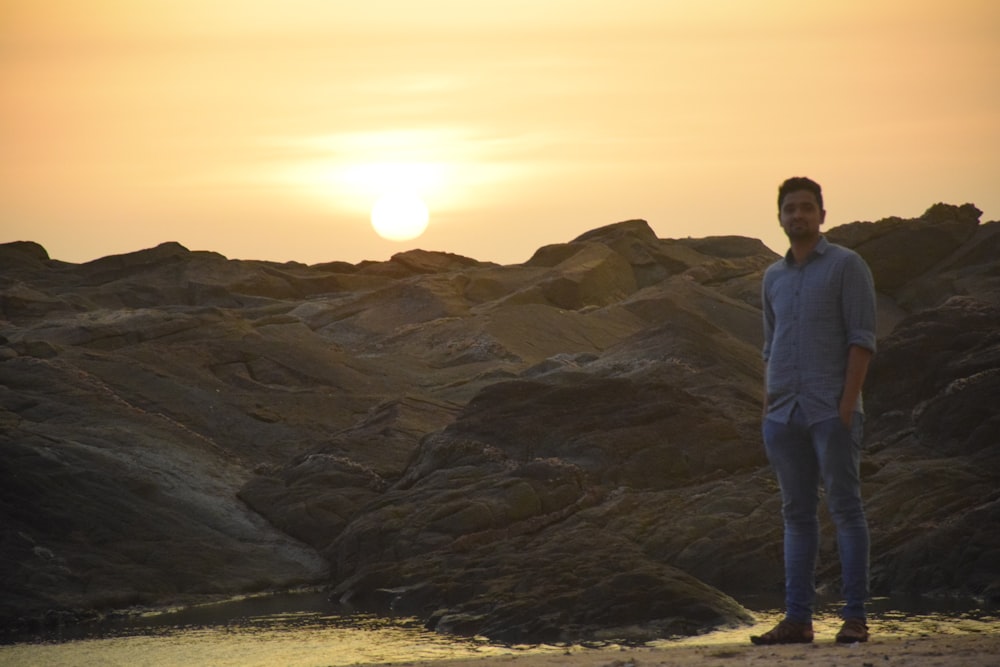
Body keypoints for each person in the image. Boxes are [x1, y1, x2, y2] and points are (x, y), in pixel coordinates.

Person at [751, 177, 877, 645]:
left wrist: (846, 407)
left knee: (846, 508)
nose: (798, 216)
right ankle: (798, 620)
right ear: (780, 217)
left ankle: (855, 618)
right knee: (796, 514)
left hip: (831, 410)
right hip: (782, 414)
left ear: (822, 215)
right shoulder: (772, 277)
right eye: (790, 209)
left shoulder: (848, 266)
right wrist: (768, 406)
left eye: (807, 208)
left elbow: (862, 340)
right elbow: (770, 344)